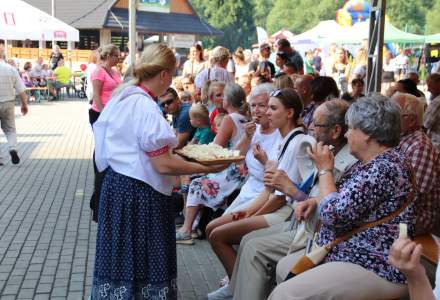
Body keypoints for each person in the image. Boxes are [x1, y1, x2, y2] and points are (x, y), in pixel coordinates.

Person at [90, 43, 229, 299]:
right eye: (172, 74)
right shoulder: (143, 106)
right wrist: (205, 166)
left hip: (118, 187)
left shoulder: (123, 95)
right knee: (142, 261)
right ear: (164, 74)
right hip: (138, 194)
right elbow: (163, 164)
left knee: (121, 259)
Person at [270, 95, 416, 300]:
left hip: (375, 262)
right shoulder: (375, 162)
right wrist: (314, 201)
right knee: (284, 267)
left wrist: (324, 171)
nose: (346, 134)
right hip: (352, 251)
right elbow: (344, 198)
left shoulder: (384, 168)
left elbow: (335, 216)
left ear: (367, 133)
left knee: (285, 293)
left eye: (351, 128)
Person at [226, 100, 356, 300]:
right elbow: (310, 198)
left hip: (313, 232)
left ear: (336, 130)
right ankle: (235, 292)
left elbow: (326, 210)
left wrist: (291, 189)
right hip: (302, 223)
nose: (310, 128)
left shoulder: (342, 160)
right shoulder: (324, 149)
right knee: (247, 240)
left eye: (316, 124)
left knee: (253, 247)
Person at [206, 88, 314, 290]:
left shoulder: (297, 143)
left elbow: (281, 196)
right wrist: (248, 212)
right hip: (266, 198)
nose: (265, 112)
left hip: (287, 212)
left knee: (221, 235)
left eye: (271, 107)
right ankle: (236, 285)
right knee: (214, 230)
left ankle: (237, 287)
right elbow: (271, 188)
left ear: (289, 113)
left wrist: (251, 214)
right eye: (257, 106)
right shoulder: (285, 140)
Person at [175, 83, 249, 244]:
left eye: (223, 96)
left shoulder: (230, 119)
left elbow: (216, 148)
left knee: (195, 183)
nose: (221, 98)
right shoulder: (245, 118)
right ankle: (192, 224)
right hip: (242, 169)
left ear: (228, 100)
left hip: (234, 170)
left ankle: (187, 228)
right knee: (194, 178)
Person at [392, 93, 440, 234]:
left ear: (411, 120)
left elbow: (410, 197)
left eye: (393, 114)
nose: (385, 118)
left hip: (415, 218)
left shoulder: (419, 146)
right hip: (401, 213)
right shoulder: (402, 139)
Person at [0, 49, 28, 165]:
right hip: (8, 102)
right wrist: (24, 104)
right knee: (10, 129)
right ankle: (13, 148)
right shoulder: (11, 69)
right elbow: (21, 90)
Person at [89, 44, 122, 126]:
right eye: (116, 56)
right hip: (100, 113)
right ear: (108, 56)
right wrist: (103, 113)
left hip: (113, 111)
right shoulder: (99, 71)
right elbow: (96, 95)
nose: (119, 58)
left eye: (119, 56)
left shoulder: (114, 71)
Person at [424, 73, 440, 150]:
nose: (428, 89)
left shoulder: (437, 102)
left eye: (430, 85)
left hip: (436, 145)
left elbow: (425, 124)